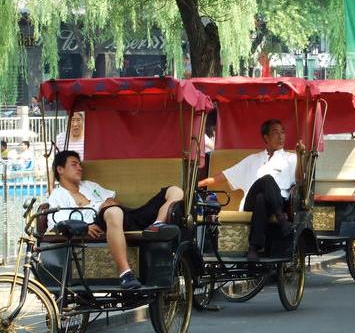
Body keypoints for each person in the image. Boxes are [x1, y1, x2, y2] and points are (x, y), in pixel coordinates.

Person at [47, 150, 184, 290]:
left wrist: (110, 202)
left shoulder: (89, 185)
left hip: (124, 216)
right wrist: (84, 227)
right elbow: (57, 224)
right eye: (74, 164)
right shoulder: (58, 195)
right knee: (113, 211)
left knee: (174, 191)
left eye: (80, 164)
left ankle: (157, 224)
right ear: (60, 169)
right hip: (102, 221)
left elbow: (111, 199)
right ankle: (125, 274)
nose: (80, 168)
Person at [197, 119, 303, 261]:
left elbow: (300, 181)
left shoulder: (291, 158)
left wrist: (301, 157)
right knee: (266, 180)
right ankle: (282, 220)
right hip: (249, 204)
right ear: (266, 137)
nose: (281, 136)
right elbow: (224, 176)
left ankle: (253, 248)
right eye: (275, 132)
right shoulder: (254, 159)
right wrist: (197, 184)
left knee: (262, 198)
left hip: (279, 201)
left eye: (283, 132)